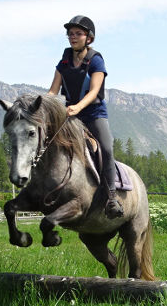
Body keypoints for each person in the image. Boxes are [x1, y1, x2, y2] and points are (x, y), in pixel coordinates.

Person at [47, 15, 123, 219]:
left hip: (93, 113)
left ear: (89, 38)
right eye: (70, 34)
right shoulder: (63, 60)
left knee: (106, 148)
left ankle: (112, 198)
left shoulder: (96, 59)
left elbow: (94, 90)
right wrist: (43, 105)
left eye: (78, 34)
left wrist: (77, 107)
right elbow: (53, 90)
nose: (73, 37)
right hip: (69, 113)